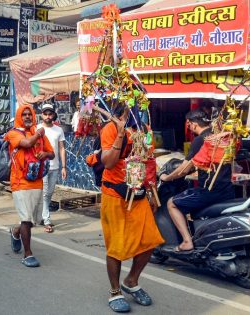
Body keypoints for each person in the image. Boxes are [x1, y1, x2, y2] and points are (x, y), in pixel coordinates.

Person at [99, 104, 163, 313]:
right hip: (115, 195)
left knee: (150, 240)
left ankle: (131, 280)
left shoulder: (143, 128)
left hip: (138, 194)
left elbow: (149, 161)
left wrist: (152, 190)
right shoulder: (110, 128)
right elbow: (108, 163)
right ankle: (115, 291)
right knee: (116, 246)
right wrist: (119, 133)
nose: (139, 106)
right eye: (133, 102)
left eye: (141, 102)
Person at [160, 109, 234, 252]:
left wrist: (166, 177)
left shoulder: (201, 140)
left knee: (172, 204)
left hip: (209, 191)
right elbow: (202, 163)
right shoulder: (219, 136)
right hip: (226, 189)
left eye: (189, 124)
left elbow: (184, 169)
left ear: (193, 124)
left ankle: (187, 241)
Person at [7, 105, 54, 267]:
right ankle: (28, 254)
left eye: (30, 114)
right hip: (20, 183)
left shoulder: (39, 133)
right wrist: (38, 133)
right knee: (26, 219)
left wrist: (45, 154)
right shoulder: (13, 133)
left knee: (31, 220)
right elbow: (26, 143)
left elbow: (52, 153)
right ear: (20, 116)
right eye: (24, 114)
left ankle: (15, 232)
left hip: (37, 181)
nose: (27, 117)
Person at [37, 103, 67, 233]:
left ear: (53, 115)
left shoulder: (58, 130)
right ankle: (46, 219)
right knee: (44, 193)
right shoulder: (37, 129)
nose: (48, 116)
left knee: (49, 193)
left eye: (50, 114)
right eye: (45, 114)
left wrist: (63, 167)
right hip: (41, 166)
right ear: (42, 115)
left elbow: (62, 148)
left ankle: (41, 216)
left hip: (54, 167)